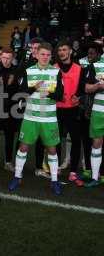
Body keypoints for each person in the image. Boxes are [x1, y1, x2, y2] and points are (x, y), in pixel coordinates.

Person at [9, 43, 64, 196]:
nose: (45, 57)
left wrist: (49, 94)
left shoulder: (56, 72)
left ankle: (54, 180)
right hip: (30, 118)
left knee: (52, 150)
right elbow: (22, 93)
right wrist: (35, 88)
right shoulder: (29, 71)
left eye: (48, 55)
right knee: (23, 147)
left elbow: (60, 95)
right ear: (36, 55)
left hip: (49, 119)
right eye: (42, 54)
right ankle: (17, 177)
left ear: (50, 56)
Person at [54, 41, 84, 186]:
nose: (62, 52)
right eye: (60, 50)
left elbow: (83, 88)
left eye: (64, 49)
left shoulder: (79, 68)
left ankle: (73, 172)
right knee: (56, 139)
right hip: (57, 108)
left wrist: (79, 95)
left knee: (76, 140)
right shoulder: (53, 68)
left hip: (73, 109)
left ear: (70, 51)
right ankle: (57, 168)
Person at [0, 47, 19, 172]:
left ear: (12, 58)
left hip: (11, 110)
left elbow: (18, 90)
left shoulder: (16, 71)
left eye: (9, 58)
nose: (6, 60)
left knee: (9, 138)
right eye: (4, 58)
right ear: (0, 57)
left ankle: (8, 162)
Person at [83, 46, 104, 187]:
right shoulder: (95, 66)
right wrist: (98, 85)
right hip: (98, 110)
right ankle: (95, 177)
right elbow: (86, 88)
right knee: (96, 144)